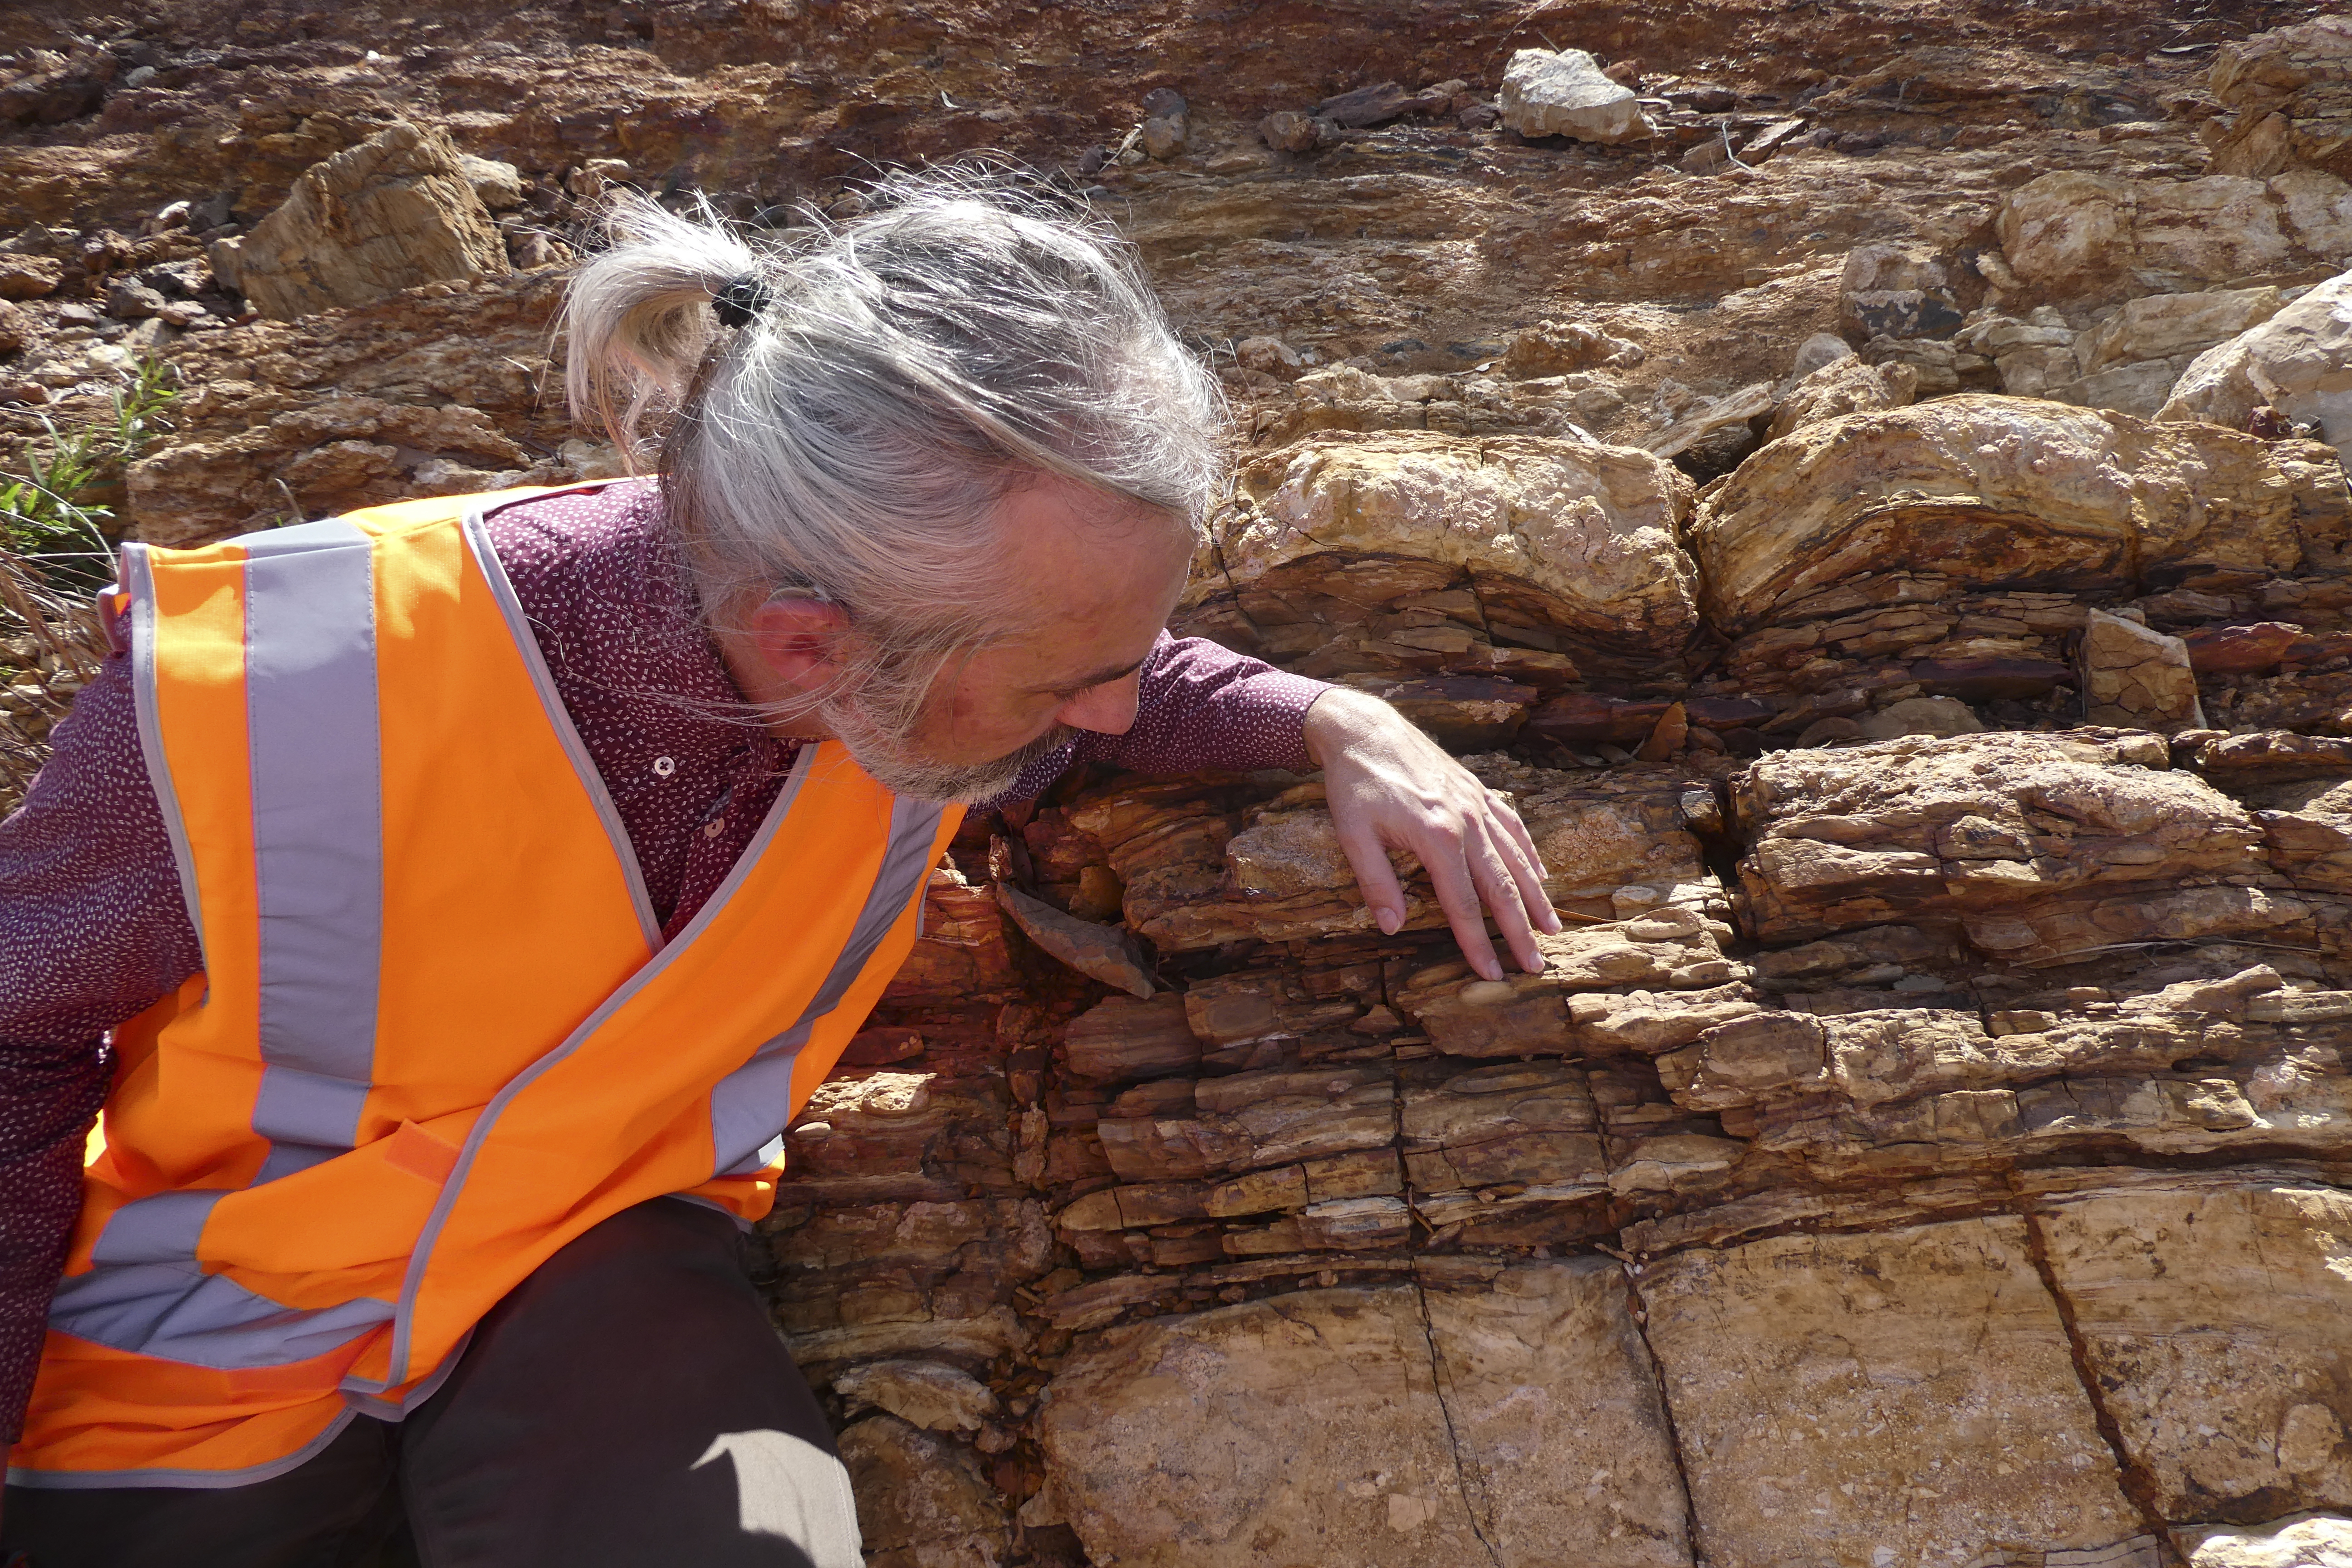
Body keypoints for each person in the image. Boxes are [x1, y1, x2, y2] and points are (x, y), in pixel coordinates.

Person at [0, 170, 1558, 1566]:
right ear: (816, 646)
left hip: (612, 1270)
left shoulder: (924, 676)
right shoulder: (258, 694)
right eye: (1065, 682)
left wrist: (1331, 720)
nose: (1107, 709)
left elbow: (1119, 691)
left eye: (1126, 657)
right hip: (194, 1355)